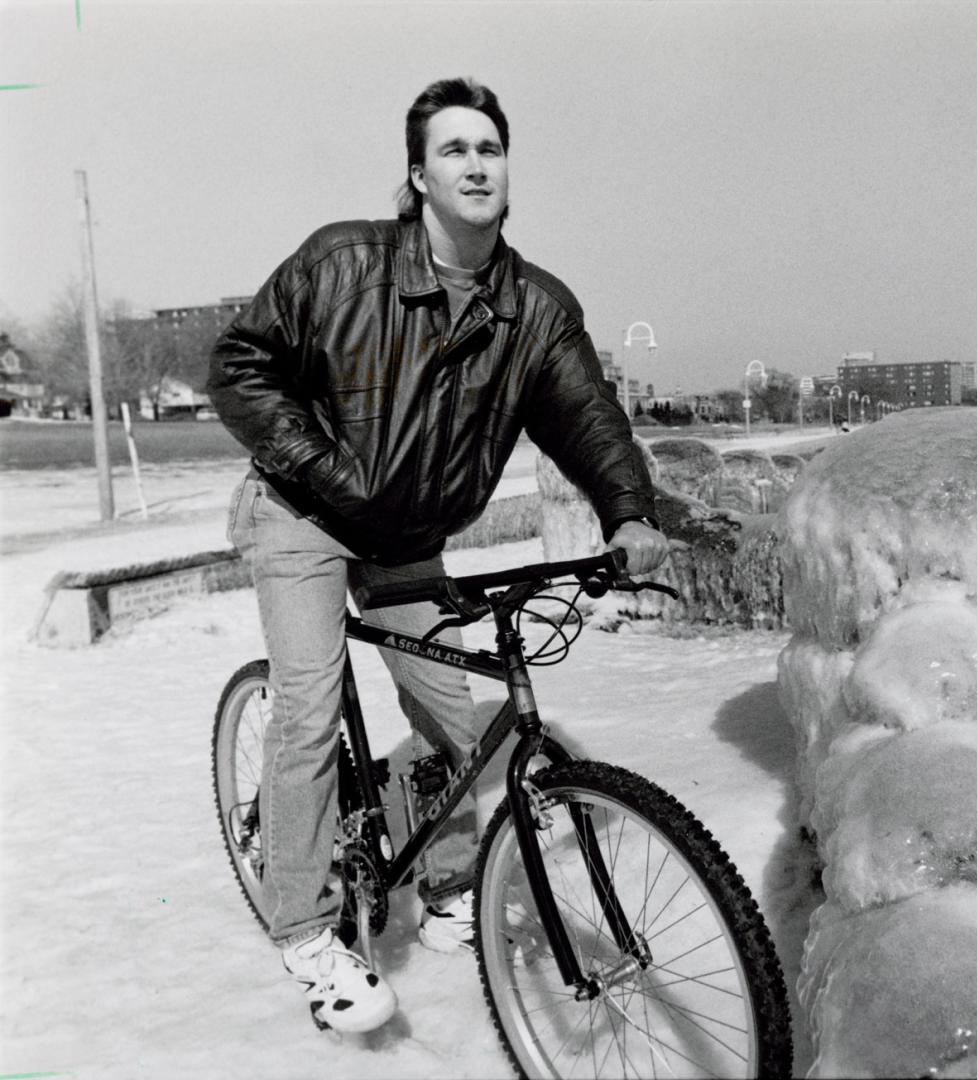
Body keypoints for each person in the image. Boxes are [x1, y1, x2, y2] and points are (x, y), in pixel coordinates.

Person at [209, 76, 668, 1034]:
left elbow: (587, 420)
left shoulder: (535, 310)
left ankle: (452, 880)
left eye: (489, 149)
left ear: (508, 173)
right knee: (305, 703)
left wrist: (627, 513)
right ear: (416, 174)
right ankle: (305, 926)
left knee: (450, 707)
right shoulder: (342, 263)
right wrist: (327, 467)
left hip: (409, 531)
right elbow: (240, 366)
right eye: (453, 149)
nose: (474, 164)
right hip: (304, 507)